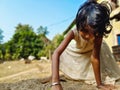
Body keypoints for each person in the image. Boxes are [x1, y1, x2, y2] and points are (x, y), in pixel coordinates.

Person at [51, 1, 120, 90]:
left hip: (90, 52)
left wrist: (99, 84)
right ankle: (53, 76)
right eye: (84, 30)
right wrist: (55, 82)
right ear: (79, 25)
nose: (88, 36)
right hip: (76, 52)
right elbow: (56, 53)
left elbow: (95, 58)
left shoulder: (99, 35)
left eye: (93, 32)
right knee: (62, 56)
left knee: (103, 50)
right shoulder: (73, 32)